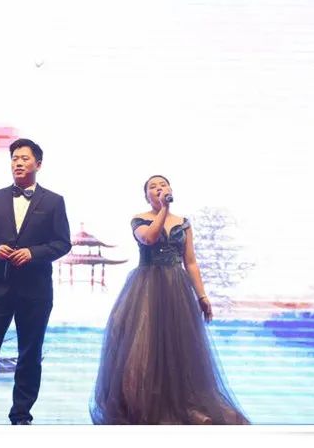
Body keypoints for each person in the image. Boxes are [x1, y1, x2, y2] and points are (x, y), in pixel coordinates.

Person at [89, 175, 250, 425]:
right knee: (145, 348)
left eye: (162, 185)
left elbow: (191, 262)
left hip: (176, 289)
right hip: (146, 289)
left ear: (171, 189)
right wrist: (164, 209)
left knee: (179, 349)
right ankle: (144, 406)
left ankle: (184, 405)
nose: (159, 189)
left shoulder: (183, 223)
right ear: (146, 196)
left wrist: (202, 295)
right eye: (153, 187)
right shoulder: (139, 219)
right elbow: (149, 238)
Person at [0, 138, 71, 425]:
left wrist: (34, 253)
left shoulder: (54, 201)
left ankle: (21, 414)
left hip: (36, 290)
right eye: (14, 158)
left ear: (38, 164)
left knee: (30, 353)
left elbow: (63, 243)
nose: (18, 163)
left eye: (24, 158)